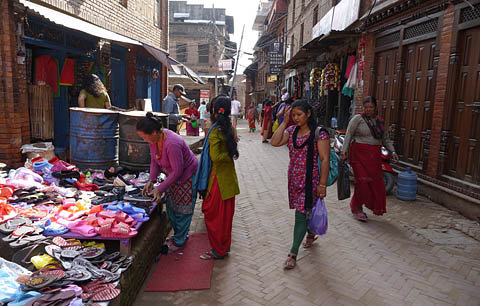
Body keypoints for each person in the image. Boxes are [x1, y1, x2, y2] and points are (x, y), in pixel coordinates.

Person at [271, 99, 330, 269]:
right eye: (293, 115)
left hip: (311, 181)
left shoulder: (320, 134)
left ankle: (293, 253)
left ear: (308, 114)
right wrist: (284, 121)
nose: (296, 118)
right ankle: (311, 233)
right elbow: (274, 142)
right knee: (305, 211)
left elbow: (325, 159)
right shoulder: (291, 131)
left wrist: (323, 184)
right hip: (294, 180)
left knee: (300, 214)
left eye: (299, 115)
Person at [137, 112, 198, 252]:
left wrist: (160, 188)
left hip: (186, 176)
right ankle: (179, 236)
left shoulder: (172, 143)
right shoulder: (155, 140)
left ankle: (180, 240)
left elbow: (178, 171)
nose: (144, 140)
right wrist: (151, 180)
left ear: (153, 132)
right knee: (172, 207)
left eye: (144, 136)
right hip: (173, 176)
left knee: (183, 210)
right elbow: (154, 161)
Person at [340, 96, 399, 221]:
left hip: (374, 157)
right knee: (362, 183)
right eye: (366, 107)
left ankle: (364, 206)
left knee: (374, 183)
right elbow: (349, 134)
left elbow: (385, 139)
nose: (368, 109)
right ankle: (357, 208)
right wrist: (344, 151)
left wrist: (392, 151)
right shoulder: (358, 119)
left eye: (371, 107)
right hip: (358, 155)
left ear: (375, 107)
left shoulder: (379, 122)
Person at [198, 95, 240, 260]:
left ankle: (218, 250)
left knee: (213, 215)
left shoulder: (215, 131)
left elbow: (215, 157)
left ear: (214, 111)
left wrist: (227, 154)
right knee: (225, 217)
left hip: (218, 181)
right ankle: (224, 246)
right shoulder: (229, 128)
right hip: (229, 179)